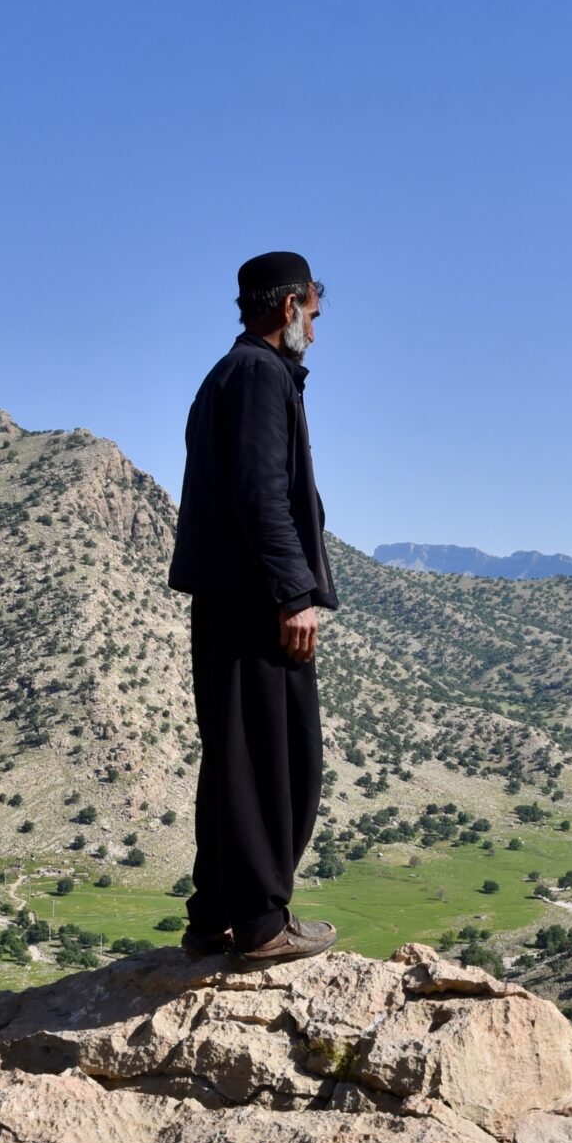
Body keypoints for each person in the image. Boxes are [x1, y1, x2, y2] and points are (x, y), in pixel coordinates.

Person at [167, 251, 340, 962]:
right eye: (313, 315)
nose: (316, 331)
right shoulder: (260, 376)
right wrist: (294, 594)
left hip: (233, 601)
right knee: (280, 761)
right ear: (289, 305)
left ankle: (215, 918)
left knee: (239, 758)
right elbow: (261, 494)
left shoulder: (232, 376)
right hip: (257, 605)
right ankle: (263, 924)